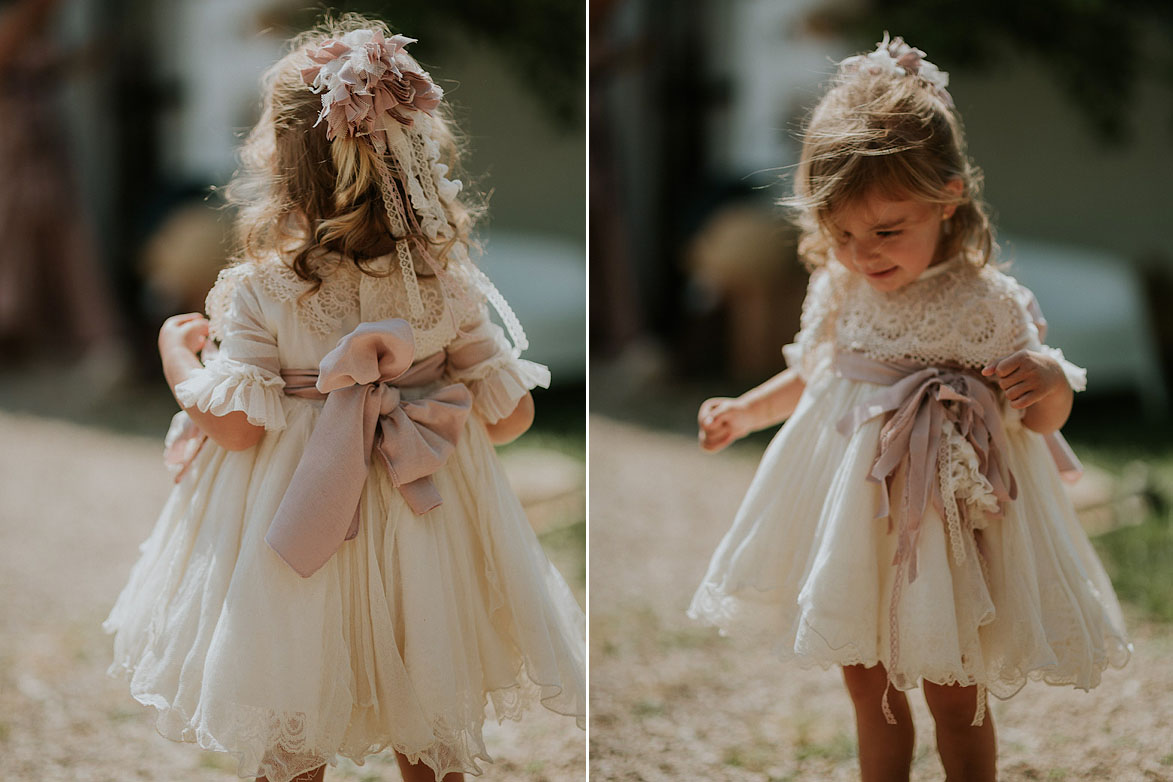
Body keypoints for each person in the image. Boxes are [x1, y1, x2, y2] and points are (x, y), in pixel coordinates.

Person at [104, 17, 584, 782]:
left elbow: (229, 429)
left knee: (291, 713)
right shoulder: (446, 282)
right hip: (425, 530)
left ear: (280, 165)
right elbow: (511, 418)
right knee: (429, 706)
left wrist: (175, 355)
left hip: (293, 529)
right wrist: (434, 393)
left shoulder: (264, 287)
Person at [690, 34, 1129, 782]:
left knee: (954, 693)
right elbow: (814, 372)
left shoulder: (985, 303)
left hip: (948, 524)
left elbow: (1040, 421)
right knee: (870, 689)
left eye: (887, 231)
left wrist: (1047, 383)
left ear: (947, 196)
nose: (864, 254)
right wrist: (745, 409)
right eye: (843, 234)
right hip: (857, 514)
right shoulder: (839, 286)